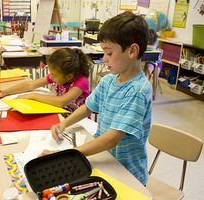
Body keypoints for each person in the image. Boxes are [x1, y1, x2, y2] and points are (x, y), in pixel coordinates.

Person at [39, 12, 152, 186]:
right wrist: (64, 124)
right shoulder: (108, 80)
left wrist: (69, 154)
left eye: (108, 53)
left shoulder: (137, 91)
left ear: (132, 50)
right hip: (105, 159)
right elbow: (88, 107)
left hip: (127, 173)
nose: (104, 58)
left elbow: (112, 138)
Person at [0, 48, 92, 118]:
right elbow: (30, 84)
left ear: (69, 76)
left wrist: (32, 95)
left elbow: (61, 101)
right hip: (61, 115)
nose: (51, 77)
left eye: (54, 75)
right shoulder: (59, 76)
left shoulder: (81, 82)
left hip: (79, 122)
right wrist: (5, 92)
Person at [144, 29, 162, 100]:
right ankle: (145, 91)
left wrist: (145, 45)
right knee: (148, 72)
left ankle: (153, 94)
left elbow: (154, 47)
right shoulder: (145, 41)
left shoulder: (155, 42)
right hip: (150, 61)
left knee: (155, 76)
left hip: (157, 62)